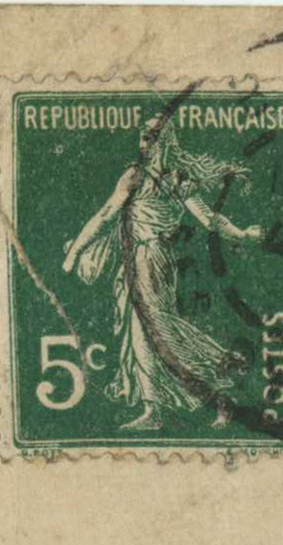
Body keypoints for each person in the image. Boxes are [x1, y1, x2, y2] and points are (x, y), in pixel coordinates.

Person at [61, 115, 264, 431]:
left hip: (153, 259)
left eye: (153, 136)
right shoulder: (135, 176)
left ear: (167, 140)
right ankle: (156, 409)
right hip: (135, 258)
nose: (146, 143)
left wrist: (243, 235)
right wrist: (75, 252)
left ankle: (219, 378)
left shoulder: (176, 179)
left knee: (160, 331)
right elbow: (105, 215)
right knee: (140, 335)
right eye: (143, 136)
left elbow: (209, 219)